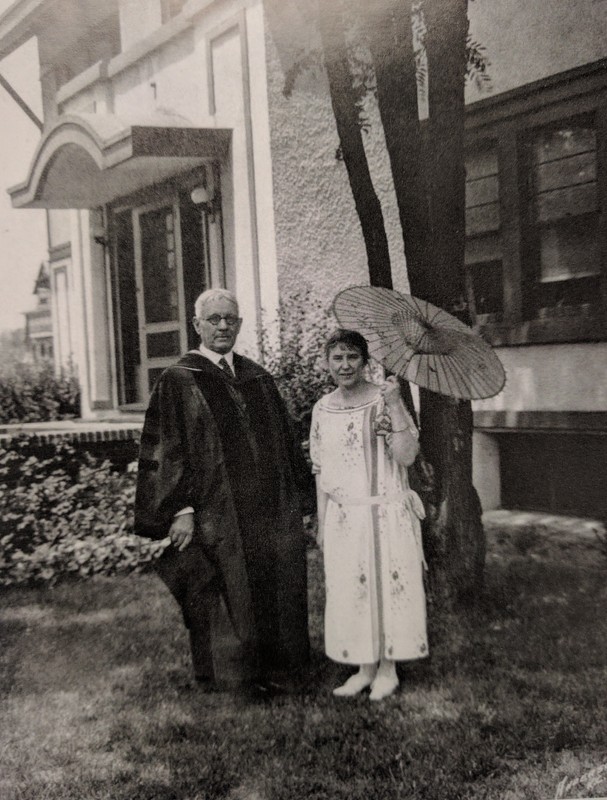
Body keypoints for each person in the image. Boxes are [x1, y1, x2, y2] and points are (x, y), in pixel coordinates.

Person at [134, 288, 310, 695]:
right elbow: (167, 446)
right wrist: (180, 507)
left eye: (230, 318)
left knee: (275, 580)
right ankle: (234, 674)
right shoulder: (179, 380)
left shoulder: (257, 377)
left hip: (267, 506)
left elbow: (283, 442)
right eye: (213, 319)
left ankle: (282, 668)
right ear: (197, 325)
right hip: (217, 509)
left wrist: (297, 496)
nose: (223, 326)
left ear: (240, 324)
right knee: (220, 583)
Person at [310, 329, 428, 701]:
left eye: (352, 357)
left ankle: (389, 669)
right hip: (344, 517)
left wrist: (394, 406)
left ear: (365, 361)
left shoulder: (384, 399)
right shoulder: (322, 408)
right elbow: (320, 469)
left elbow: (407, 456)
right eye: (337, 358)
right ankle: (363, 668)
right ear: (327, 363)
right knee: (350, 590)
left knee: (386, 588)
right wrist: (322, 520)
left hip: (385, 511)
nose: (345, 365)